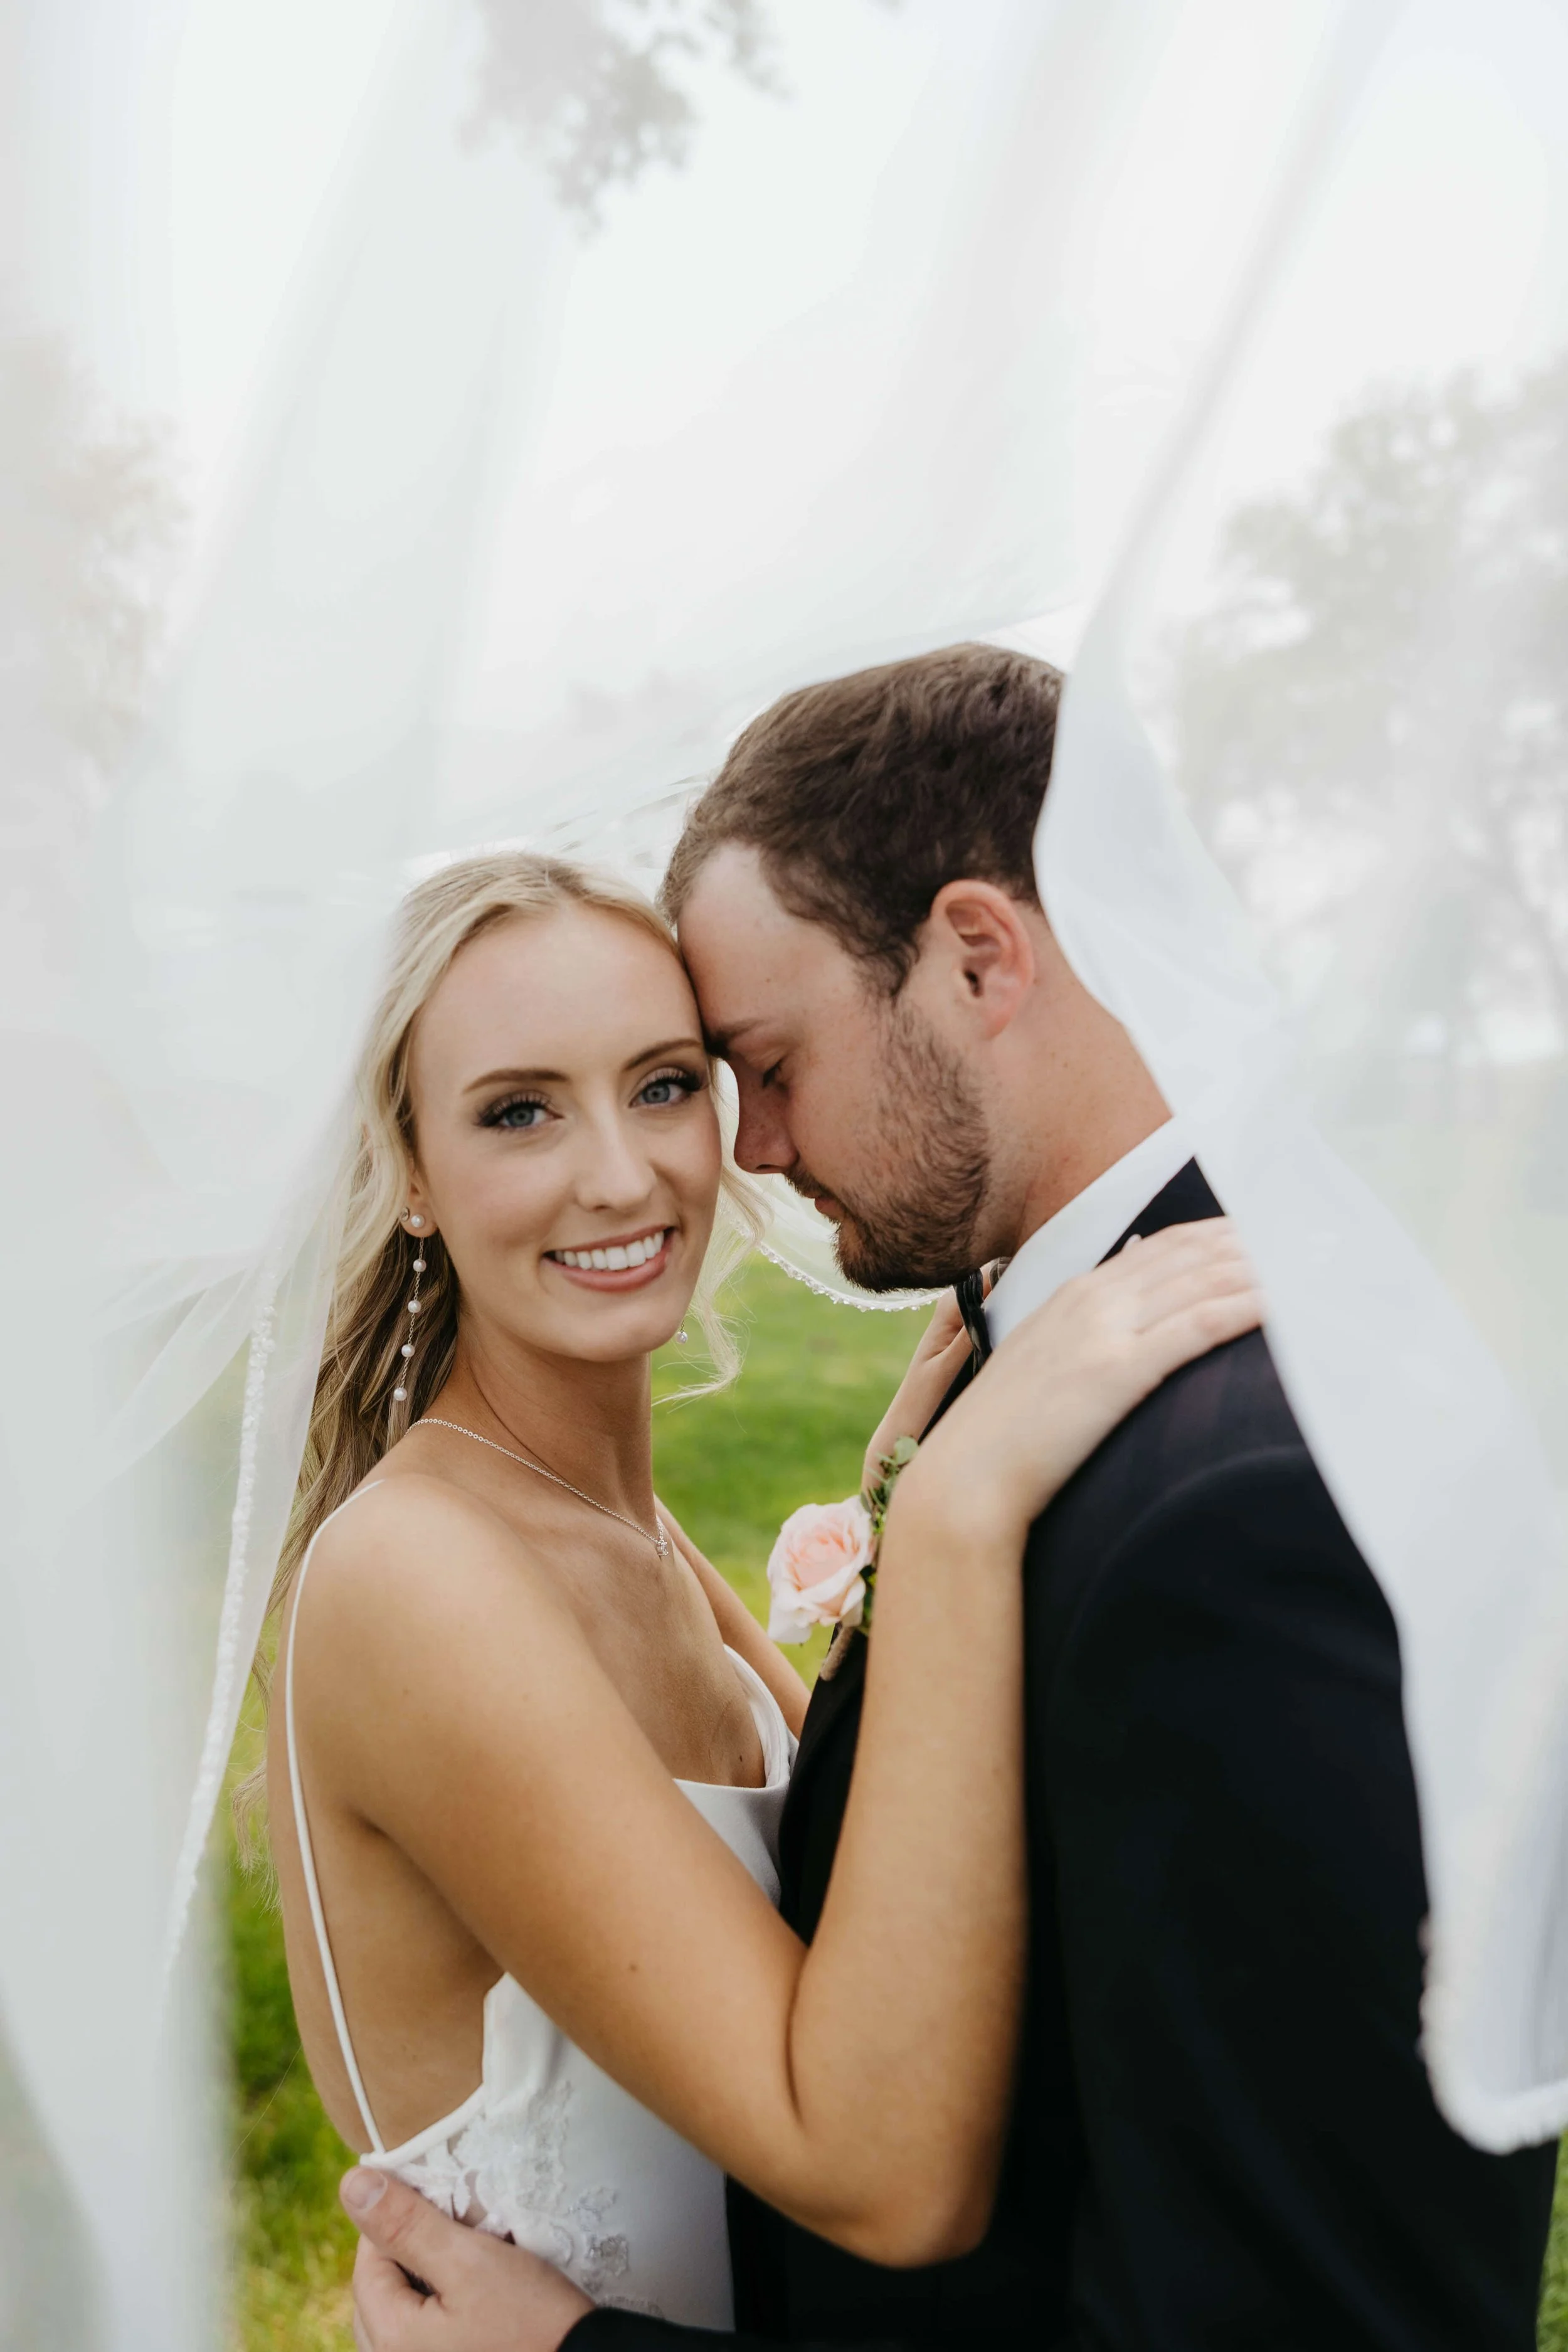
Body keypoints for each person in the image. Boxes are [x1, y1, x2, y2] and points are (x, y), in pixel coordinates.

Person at [345, 644, 1557, 2351]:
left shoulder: (1233, 1505)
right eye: (522, 1107)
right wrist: (929, 1511)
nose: (740, 1151)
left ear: (978, 956)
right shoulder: (1057, 1375)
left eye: (736, 1064)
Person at [260, 845, 1257, 2328]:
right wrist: (957, 1519)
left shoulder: (633, 1539)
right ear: (409, 1171)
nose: (622, 1171)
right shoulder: (417, 1583)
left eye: (664, 1084)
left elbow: (862, 1909)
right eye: (519, 1111)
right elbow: (883, 2173)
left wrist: (897, 1495)